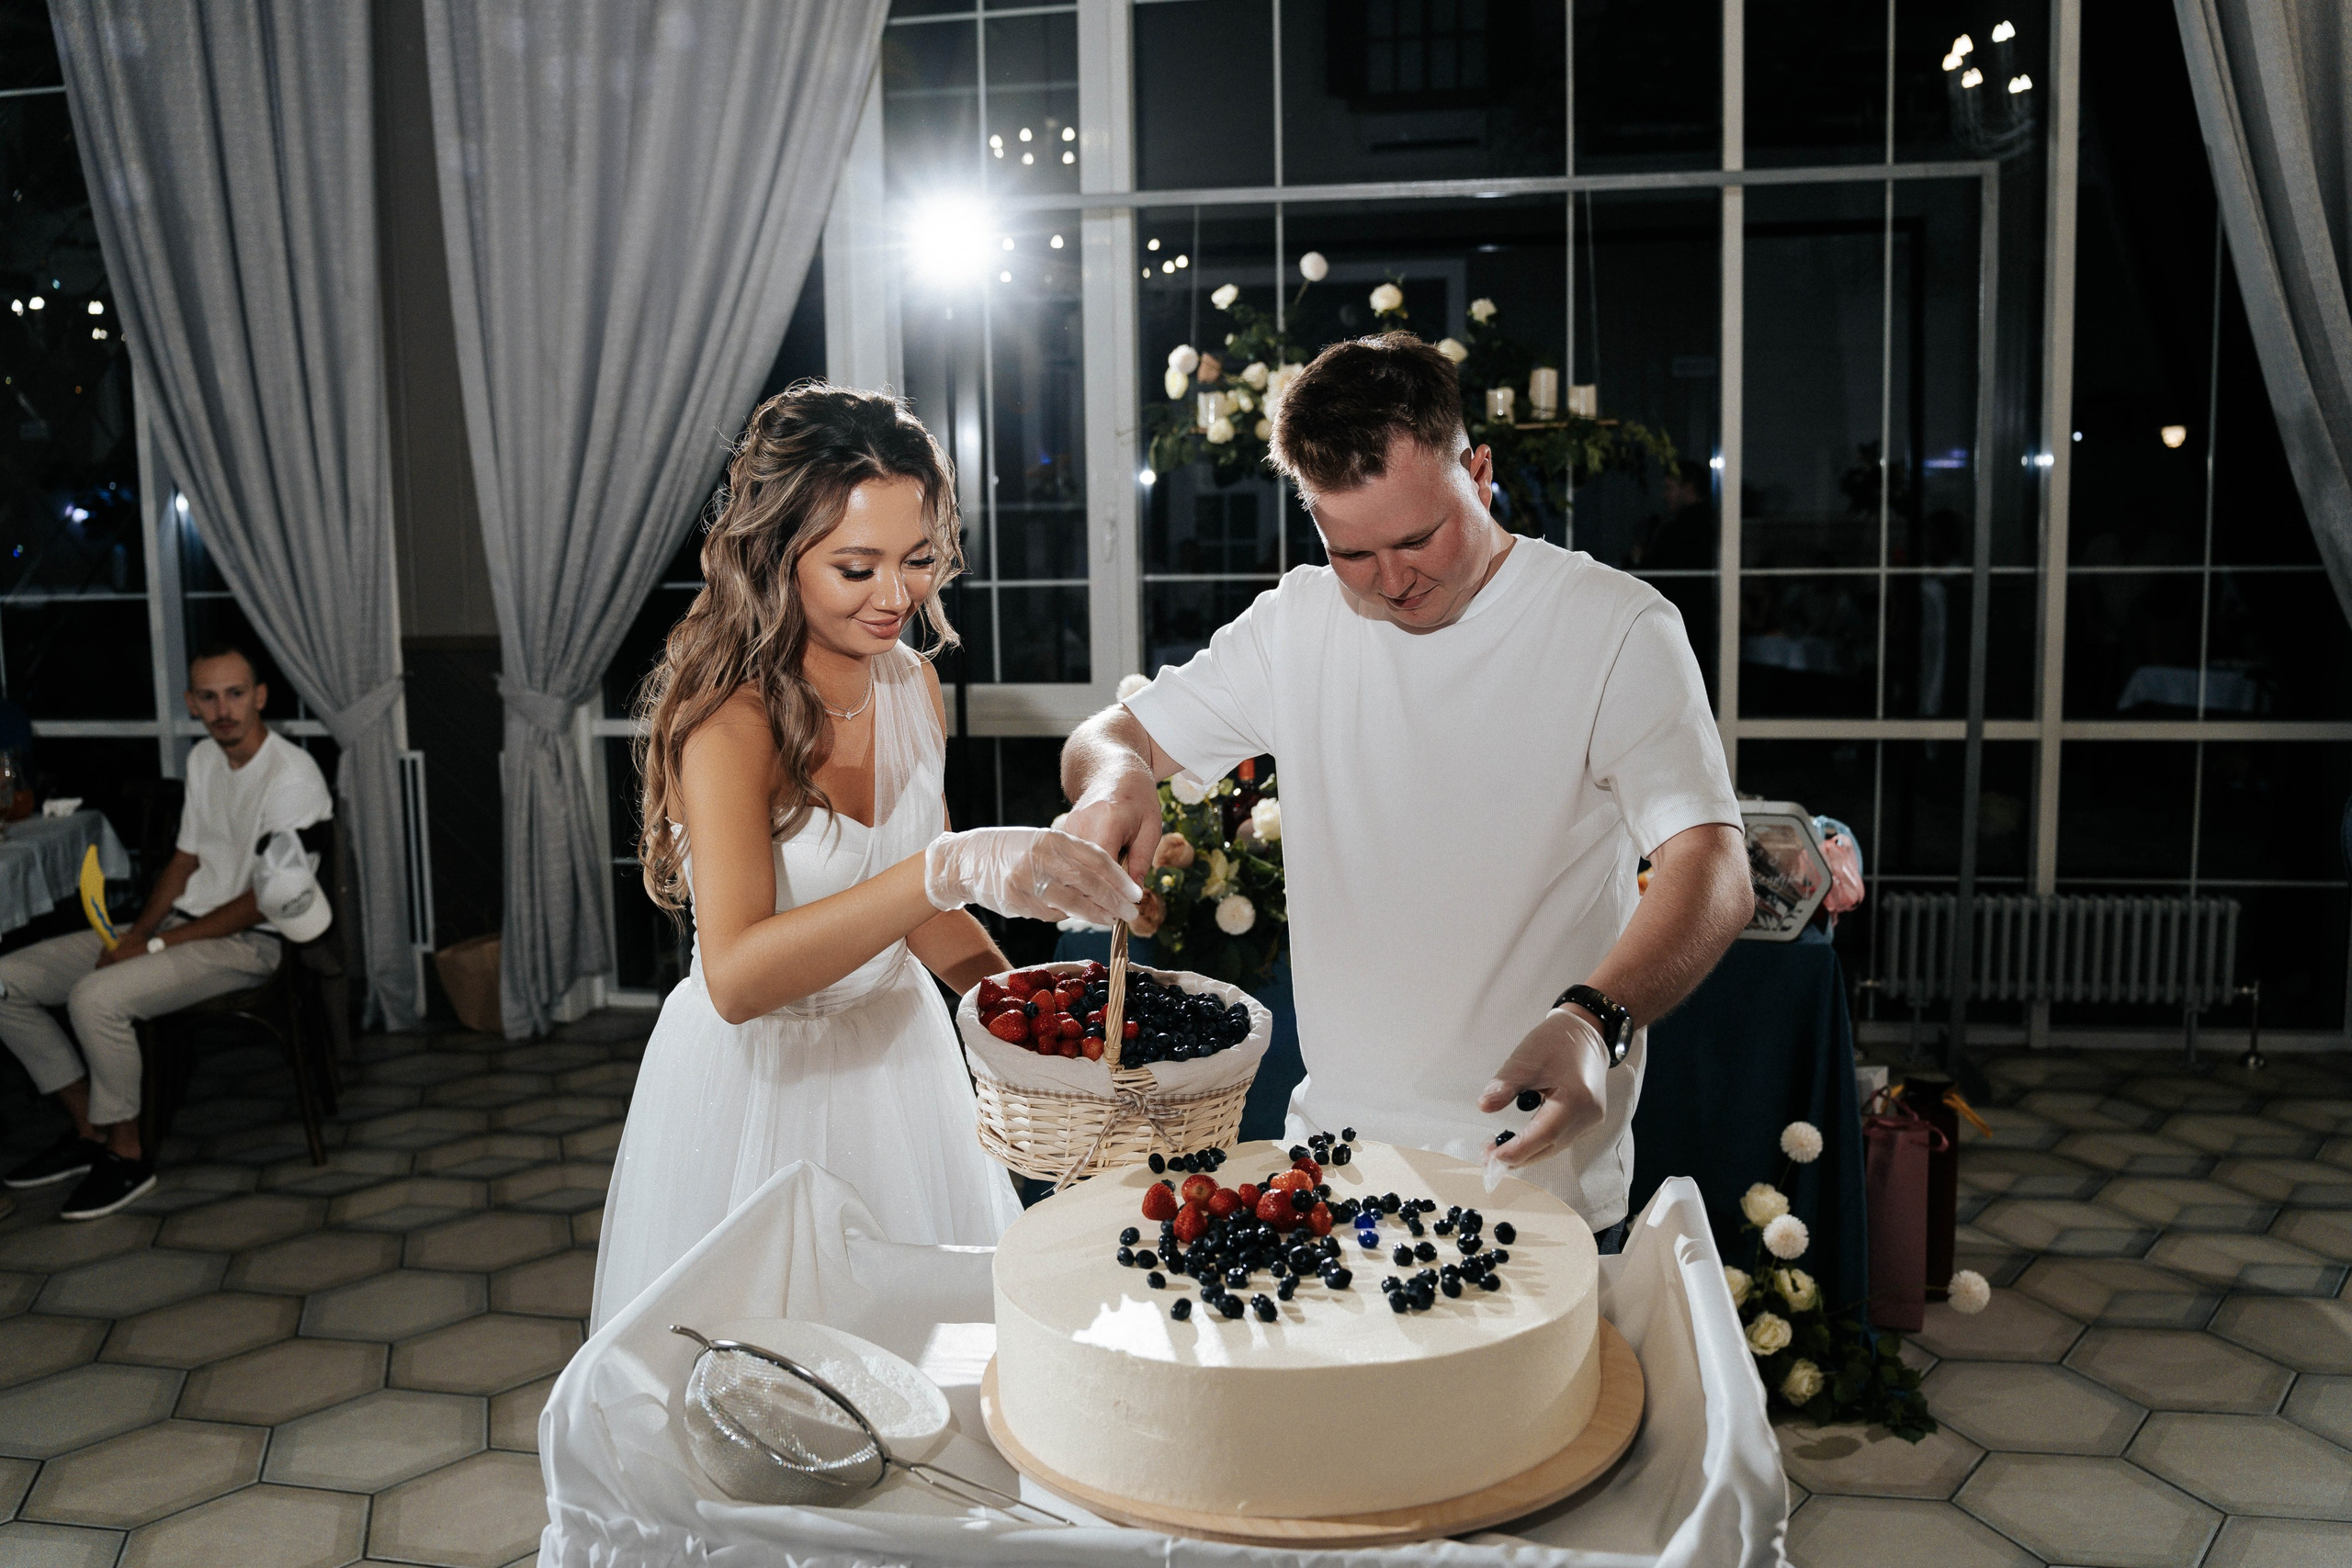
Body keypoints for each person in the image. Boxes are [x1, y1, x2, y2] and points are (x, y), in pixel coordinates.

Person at [1062, 334, 1755, 1250]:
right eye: (1350, 551)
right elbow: (1113, 734)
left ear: (1480, 470)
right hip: (1334, 1166)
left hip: (1534, 1175)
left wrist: (1598, 1018)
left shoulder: (1615, 626)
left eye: (1418, 537)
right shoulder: (1297, 623)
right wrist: (1115, 779)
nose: (1392, 581)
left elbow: (1712, 867)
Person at [590, 385, 1140, 1330]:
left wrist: (1042, 1033)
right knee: (773, 1383)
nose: (897, 597)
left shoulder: (911, 682)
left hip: (899, 1065)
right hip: (758, 1087)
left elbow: (921, 908)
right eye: (857, 567)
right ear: (776, 557)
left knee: (934, 1365)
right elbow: (736, 976)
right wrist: (942, 868)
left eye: (918, 560)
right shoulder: (728, 720)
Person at [0, 641, 331, 1220]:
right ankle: (89, 1132)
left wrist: (150, 946)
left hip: (249, 944)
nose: (223, 709)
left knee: (95, 998)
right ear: (191, 703)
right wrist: (134, 935)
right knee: (5, 982)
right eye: (208, 696)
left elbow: (261, 903)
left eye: (235, 694)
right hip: (181, 928)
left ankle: (127, 1154)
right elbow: (183, 862)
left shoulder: (292, 776)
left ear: (260, 697)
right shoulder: (205, 760)